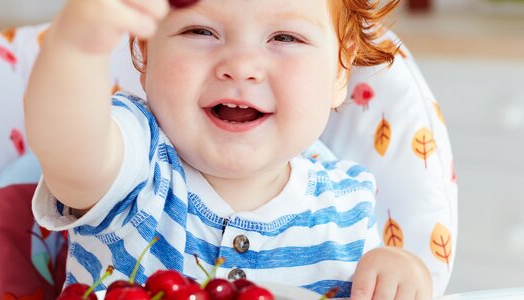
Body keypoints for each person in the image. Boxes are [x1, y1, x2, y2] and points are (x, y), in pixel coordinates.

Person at [25, 0, 432, 298]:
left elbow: (387, 281)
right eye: (200, 32)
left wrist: (400, 274)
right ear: (145, 54)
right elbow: (73, 159)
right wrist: (76, 49)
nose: (240, 65)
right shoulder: (136, 160)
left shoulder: (348, 206)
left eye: (285, 37)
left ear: (340, 72)